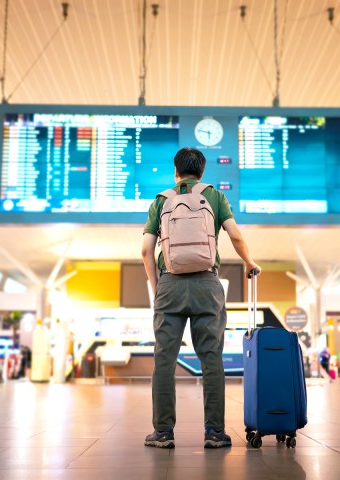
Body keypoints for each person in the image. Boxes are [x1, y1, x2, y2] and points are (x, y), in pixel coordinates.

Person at [141, 147, 261, 449]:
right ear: (202, 172)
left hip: (169, 283)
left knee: (164, 359)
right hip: (208, 283)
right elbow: (235, 236)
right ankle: (214, 432)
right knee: (211, 359)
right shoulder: (215, 196)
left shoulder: (161, 200)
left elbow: (145, 250)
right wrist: (249, 263)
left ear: (176, 172)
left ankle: (164, 432)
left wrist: (158, 287)